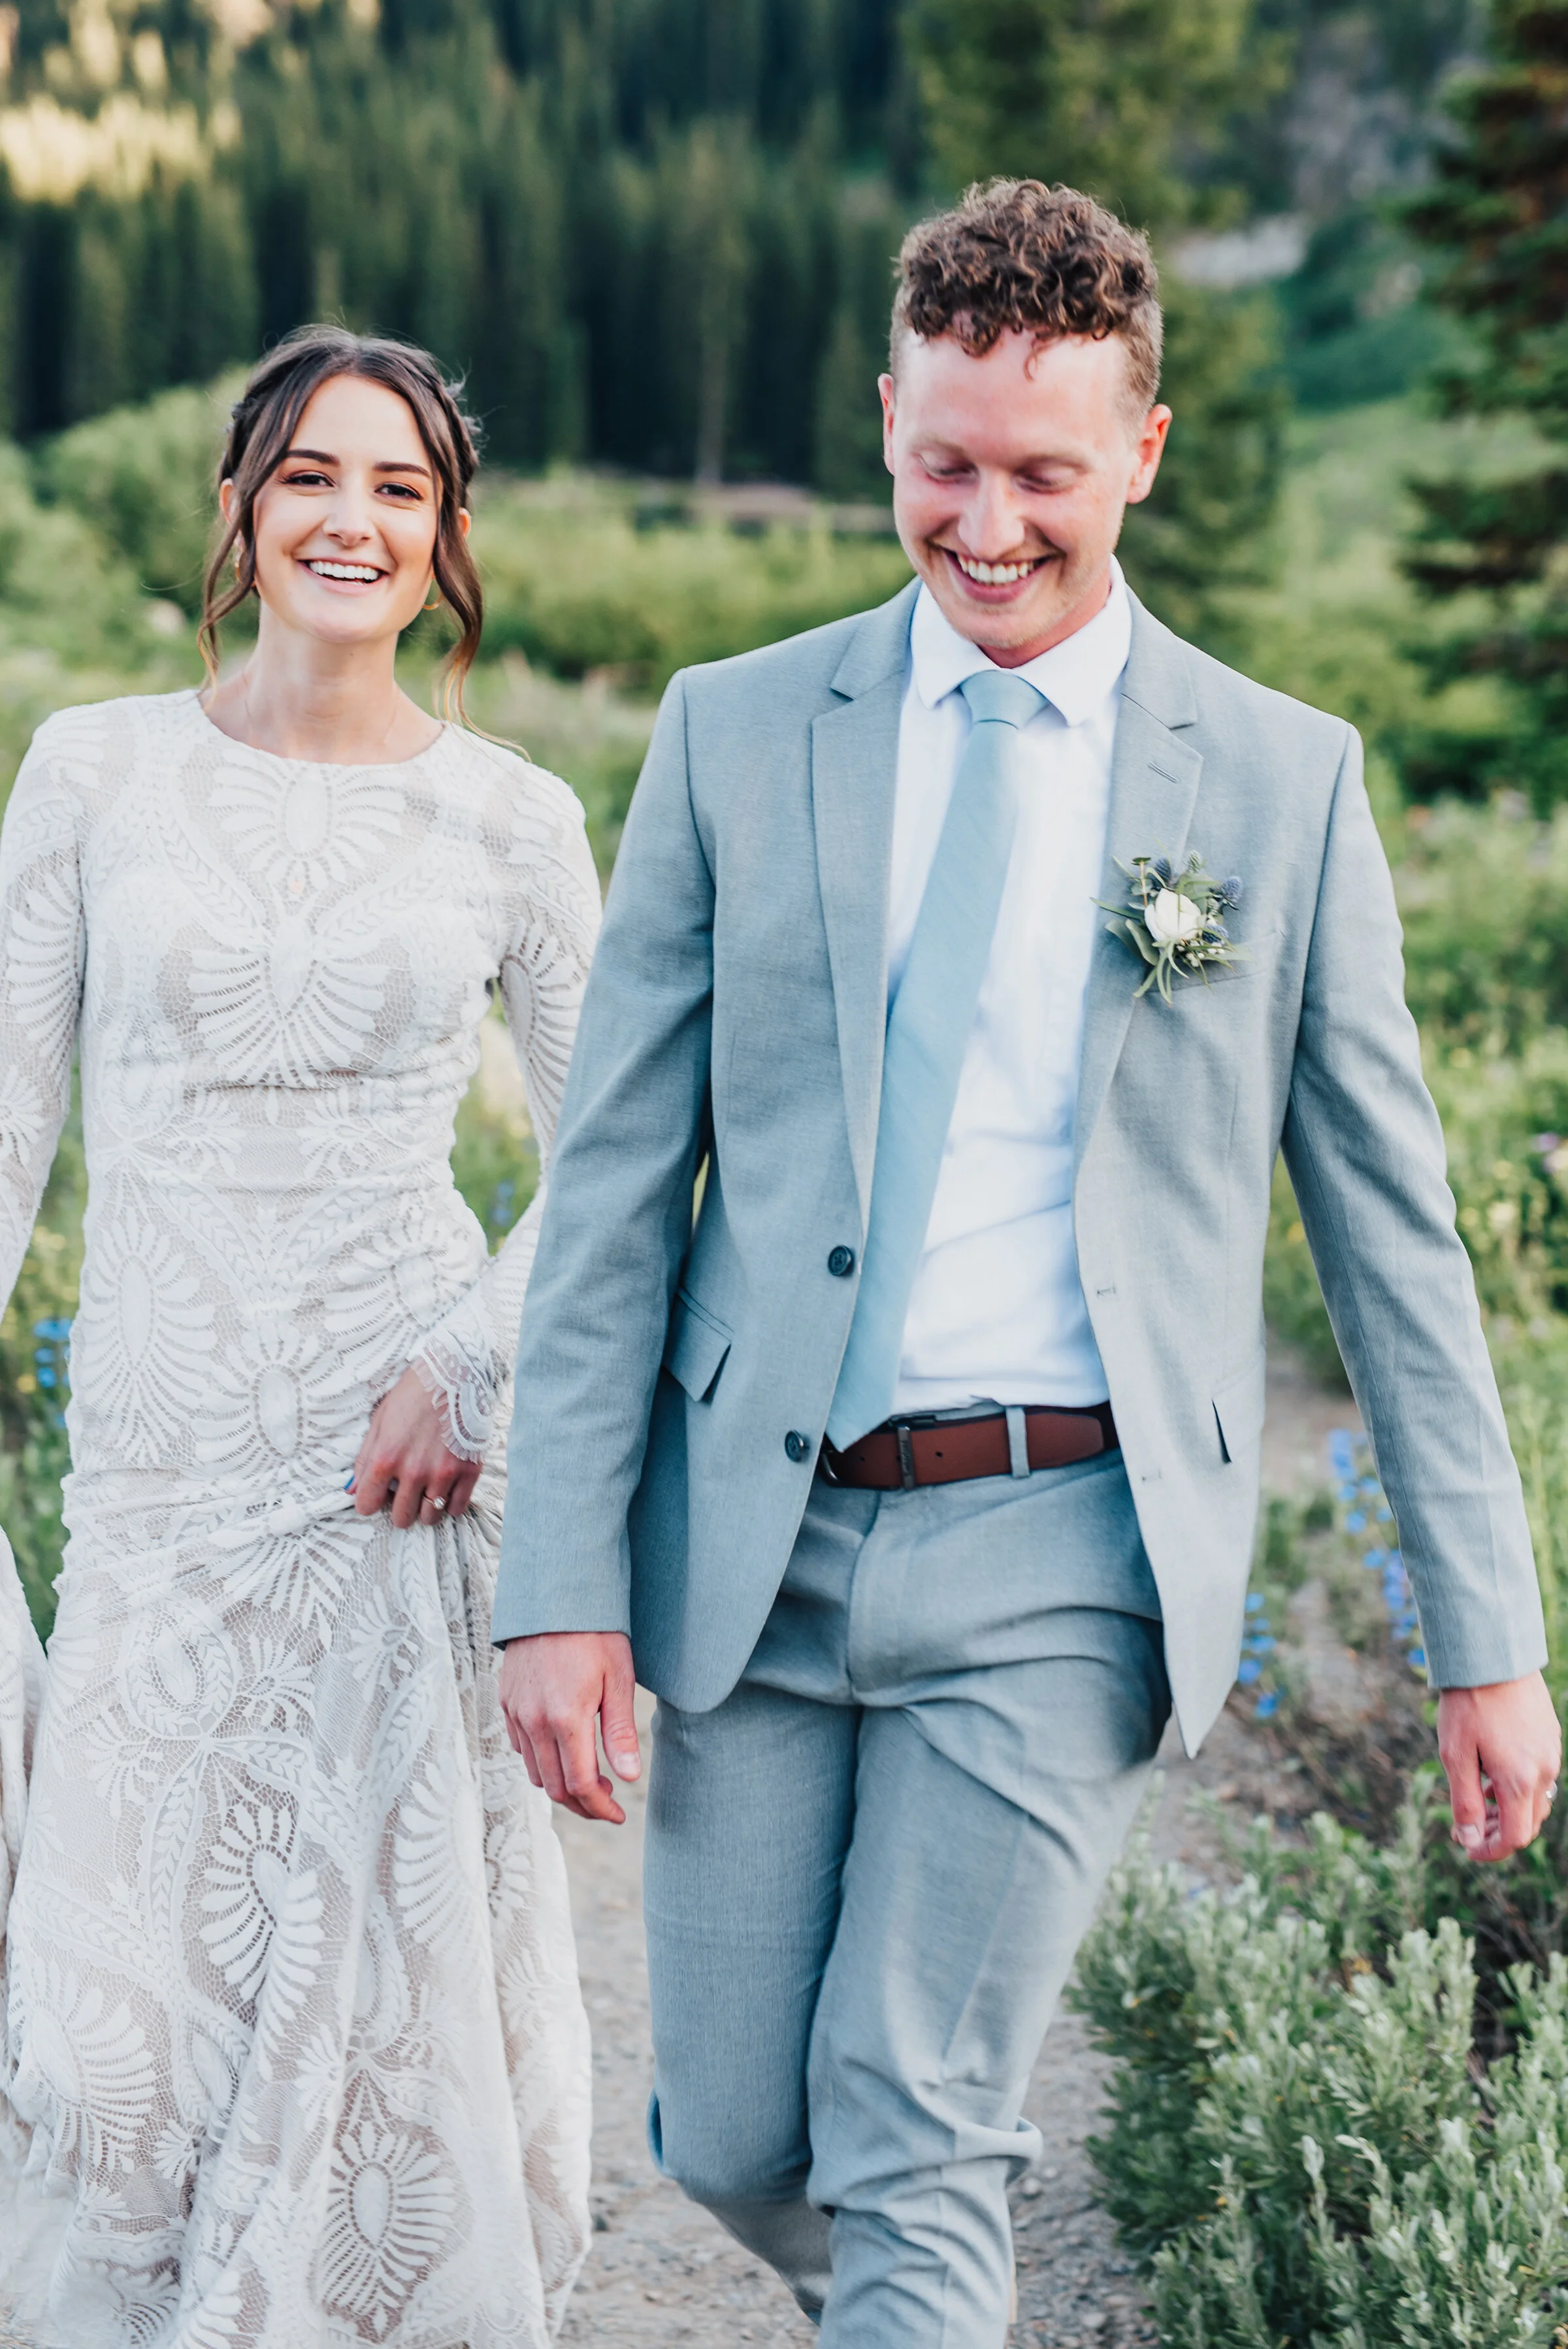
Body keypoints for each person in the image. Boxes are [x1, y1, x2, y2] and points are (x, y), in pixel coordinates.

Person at [493, 180, 1561, 2346]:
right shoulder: (730, 729)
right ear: (888, 419)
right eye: (944, 467)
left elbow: (1396, 1247)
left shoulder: (1278, 782)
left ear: (1142, 454)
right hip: (755, 1556)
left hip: (1067, 1544)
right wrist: (562, 1583)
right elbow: (612, 1194)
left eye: (1043, 477)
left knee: (913, 2125)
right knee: (732, 2139)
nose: (988, 526)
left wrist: (1487, 1639)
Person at [0, 328, 597, 2346]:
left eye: (403, 488)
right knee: (107, 2059)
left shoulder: (513, 818)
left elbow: (619, 1170)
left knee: (361, 2060)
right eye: (313, 478)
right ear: (242, 512)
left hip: (392, 1468)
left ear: (447, 541)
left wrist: (476, 1362)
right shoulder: (91, 767)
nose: (356, 520)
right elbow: (5, 1136)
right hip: (158, 1484)